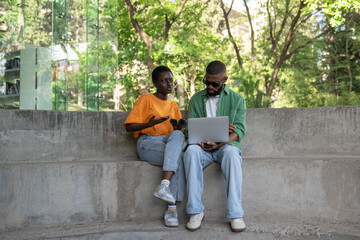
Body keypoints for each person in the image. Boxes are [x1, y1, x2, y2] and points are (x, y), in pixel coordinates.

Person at [184, 60, 246, 232]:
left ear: (225, 79)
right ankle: (195, 211)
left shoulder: (237, 100)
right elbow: (190, 129)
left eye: (215, 83)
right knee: (190, 152)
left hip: (225, 147)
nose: (210, 86)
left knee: (233, 154)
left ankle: (235, 214)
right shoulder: (196, 99)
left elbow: (239, 131)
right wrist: (198, 139)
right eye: (206, 82)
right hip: (202, 147)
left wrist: (221, 141)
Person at [124, 66, 186, 227]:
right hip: (148, 143)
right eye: (164, 81)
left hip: (168, 142)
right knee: (178, 156)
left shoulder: (173, 106)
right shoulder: (145, 100)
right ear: (155, 83)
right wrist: (149, 124)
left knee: (178, 137)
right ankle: (171, 209)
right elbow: (128, 127)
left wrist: (179, 127)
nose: (169, 84)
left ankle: (163, 187)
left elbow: (177, 135)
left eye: (171, 80)